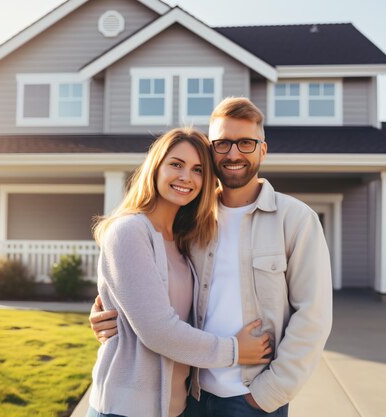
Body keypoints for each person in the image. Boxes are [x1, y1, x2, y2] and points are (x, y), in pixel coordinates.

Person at [91, 98, 333, 416]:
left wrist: (270, 392)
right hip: (191, 395)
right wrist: (110, 314)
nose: (233, 154)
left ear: (263, 149)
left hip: (251, 398)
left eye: (246, 143)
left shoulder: (294, 219)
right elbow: (149, 304)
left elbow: (313, 318)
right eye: (222, 144)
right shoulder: (191, 223)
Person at [87, 127, 273, 417]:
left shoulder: (185, 240)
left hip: (177, 408)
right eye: (176, 164)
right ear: (156, 167)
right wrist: (235, 351)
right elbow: (157, 331)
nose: (186, 177)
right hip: (125, 410)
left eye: (198, 169)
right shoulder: (129, 231)